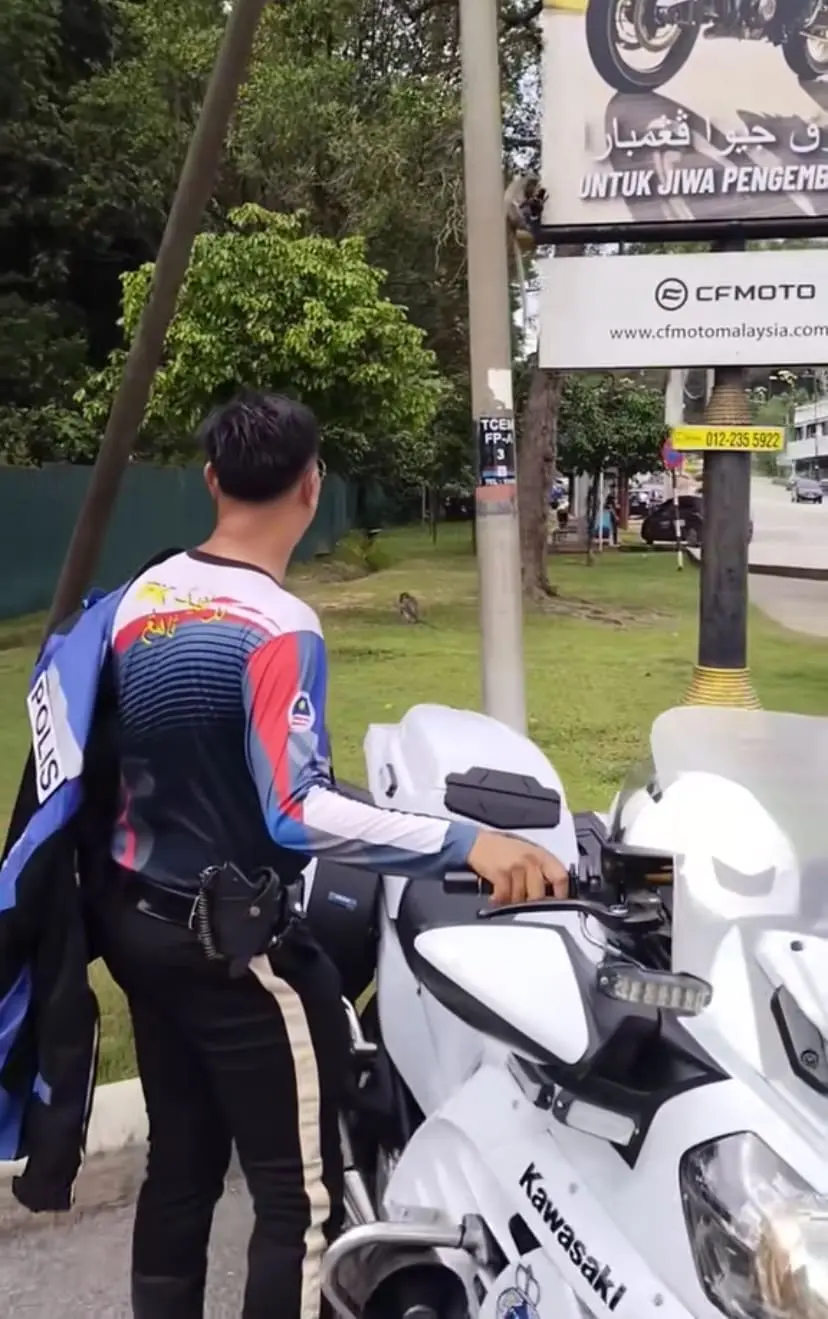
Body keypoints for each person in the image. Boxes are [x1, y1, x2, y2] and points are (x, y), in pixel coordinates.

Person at [88, 389, 570, 1319]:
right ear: (311, 486)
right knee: (298, 1201)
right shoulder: (278, 624)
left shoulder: (141, 597)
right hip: (233, 952)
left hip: (138, 924)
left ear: (212, 479)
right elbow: (295, 811)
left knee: (180, 1167)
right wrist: (468, 840)